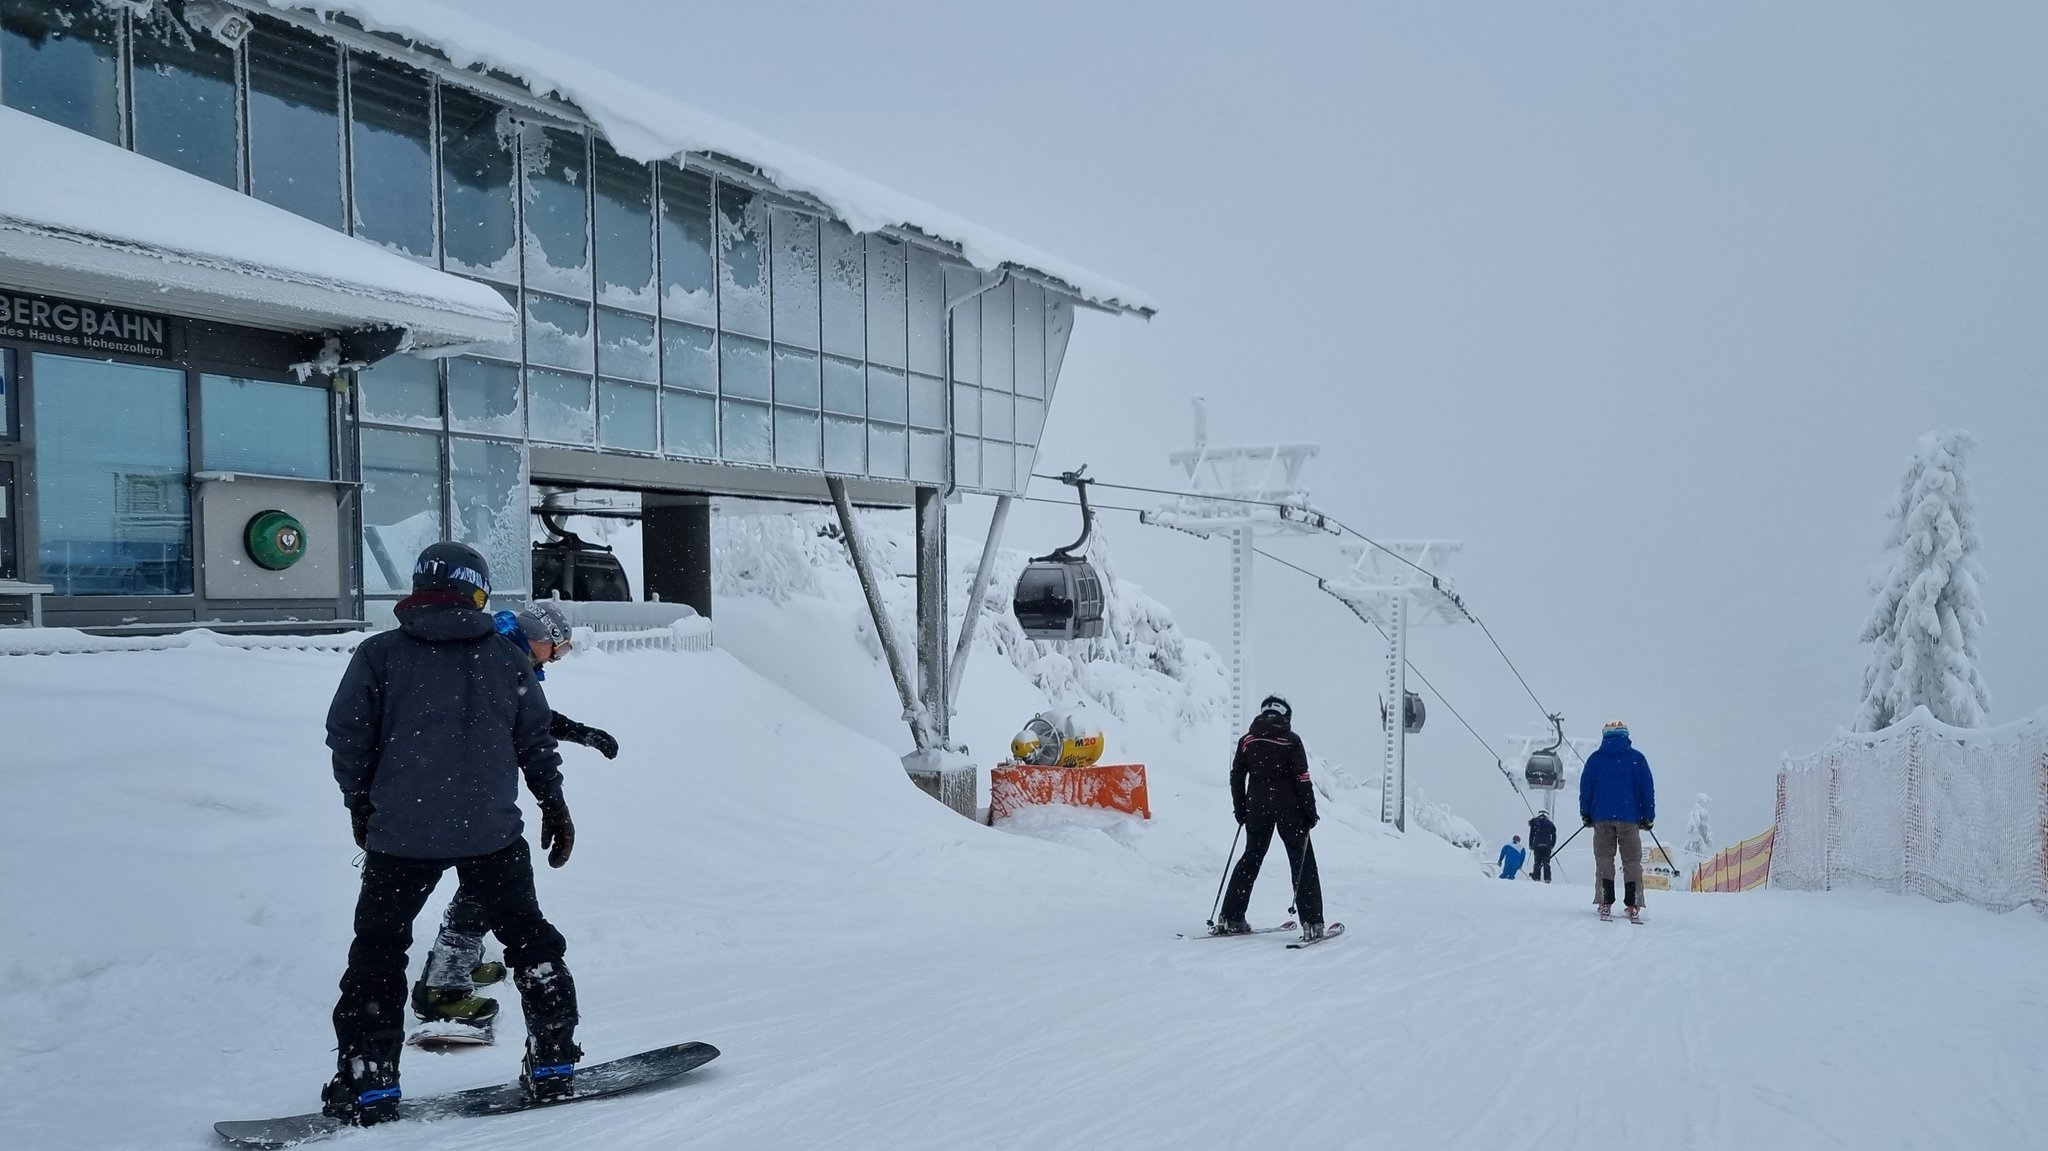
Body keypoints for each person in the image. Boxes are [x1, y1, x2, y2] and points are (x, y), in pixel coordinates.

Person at [322, 543, 582, 1125]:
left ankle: (368, 1083)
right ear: (477, 590)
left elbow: (348, 737)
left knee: (378, 955)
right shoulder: (506, 659)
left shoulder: (379, 655)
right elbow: (534, 740)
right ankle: (555, 1062)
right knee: (531, 942)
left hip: (401, 836)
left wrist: (360, 804)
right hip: (491, 833)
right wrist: (553, 804)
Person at [408, 600, 620, 1041]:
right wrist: (553, 799)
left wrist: (580, 733)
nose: (555, 660)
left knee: (484, 883)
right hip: (462, 793)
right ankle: (442, 987)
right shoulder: (499, 657)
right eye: (556, 650)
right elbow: (525, 723)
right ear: (536, 637)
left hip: (452, 790)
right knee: (491, 884)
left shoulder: (501, 652)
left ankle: (454, 963)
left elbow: (528, 719)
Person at [1216, 695, 1326, 939]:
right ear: (1286, 716)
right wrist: (1310, 813)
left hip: (1257, 809)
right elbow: (1302, 779)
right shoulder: (1292, 741)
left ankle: (1231, 916)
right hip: (1291, 811)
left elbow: (1236, 776)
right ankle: (1312, 923)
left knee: (1251, 858)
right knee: (1302, 863)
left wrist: (1241, 809)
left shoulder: (1248, 741)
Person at [1580, 720, 1656, 922]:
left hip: (1602, 818)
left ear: (1605, 735)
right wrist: (1648, 816)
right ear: (1626, 735)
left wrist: (1586, 813)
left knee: (1604, 859)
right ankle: (1633, 903)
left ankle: (1605, 901)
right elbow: (1646, 789)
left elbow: (1586, 788)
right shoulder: (1637, 759)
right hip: (1629, 818)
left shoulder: (1595, 759)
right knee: (1631, 861)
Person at [1527, 811, 1557, 883]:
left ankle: (1536, 877)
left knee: (1537, 862)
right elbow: (1554, 835)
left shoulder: (1535, 822)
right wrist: (1552, 845)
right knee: (1546, 862)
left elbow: (1531, 835)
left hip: (1537, 845)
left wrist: (1531, 845)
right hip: (1547, 846)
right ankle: (1547, 878)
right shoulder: (1550, 823)